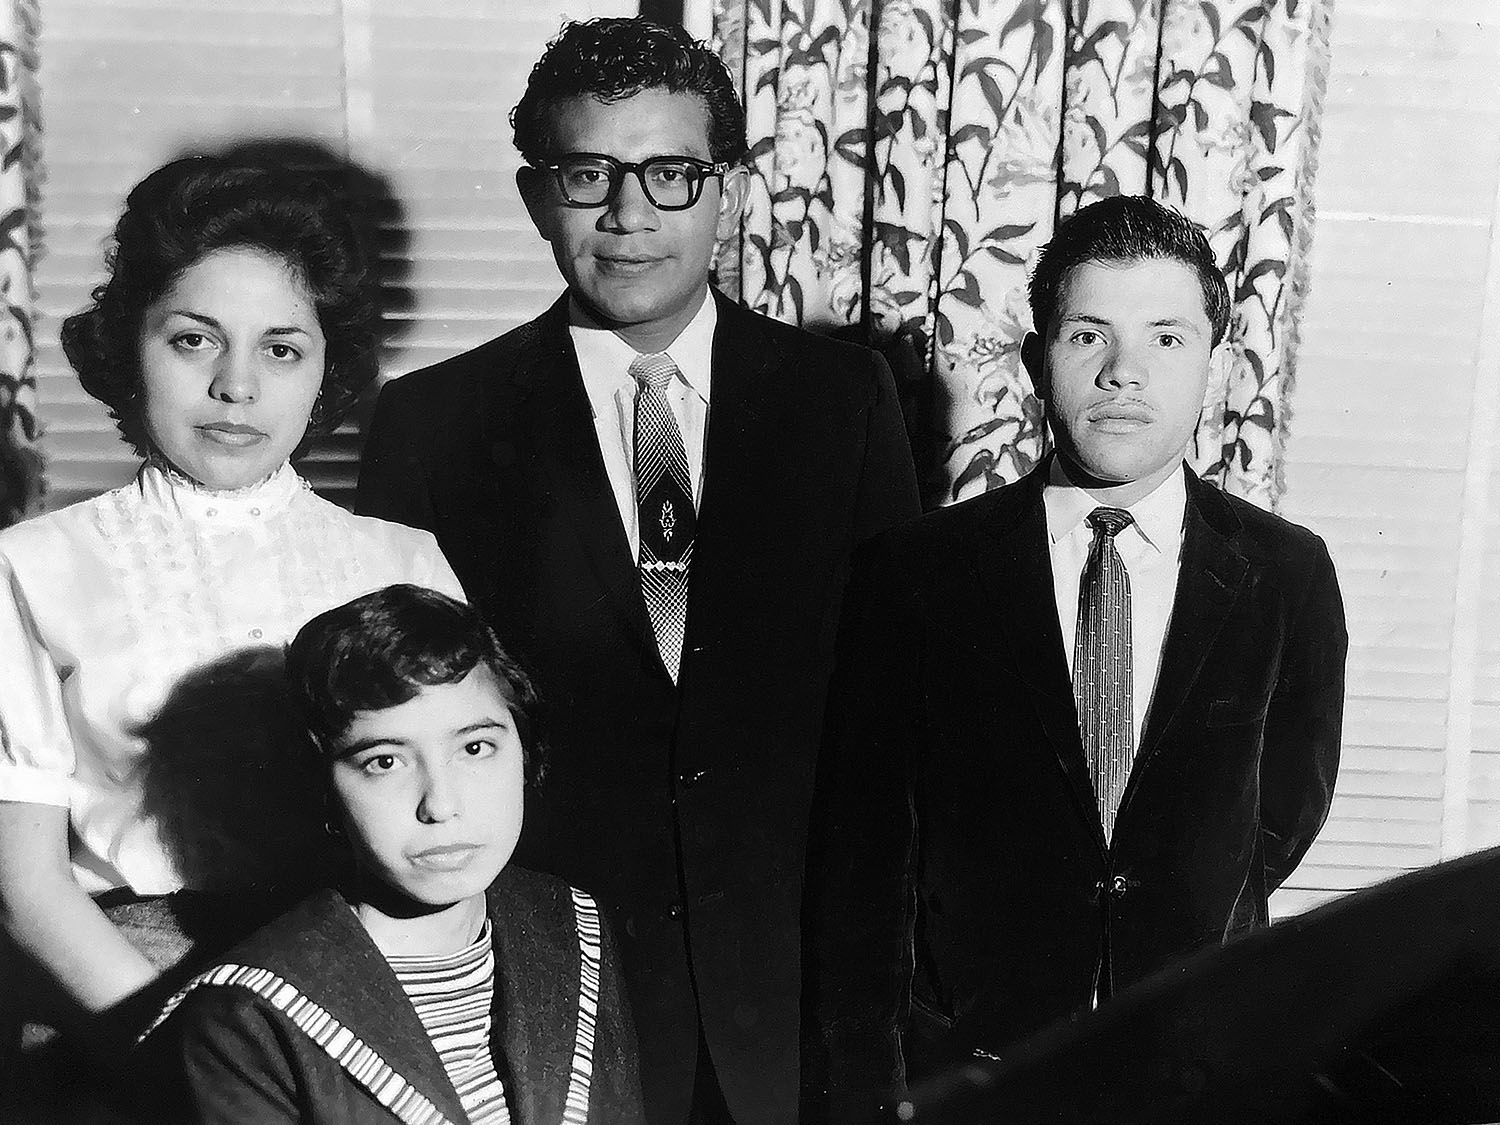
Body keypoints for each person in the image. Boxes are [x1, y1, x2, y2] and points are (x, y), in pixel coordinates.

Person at [356, 17, 921, 1123]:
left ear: (730, 191)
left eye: (671, 173)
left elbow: (891, 731)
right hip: (549, 1003)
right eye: (588, 175)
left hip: (791, 1004)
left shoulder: (844, 401)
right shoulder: (433, 426)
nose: (630, 216)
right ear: (535, 197)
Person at [803, 194, 1348, 1120]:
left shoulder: (1284, 573)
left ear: (1214, 371)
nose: (1123, 373)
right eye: (1087, 335)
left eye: (1167, 339)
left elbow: (1283, 812)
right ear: (1034, 360)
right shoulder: (916, 575)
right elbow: (864, 871)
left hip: (1201, 1071)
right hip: (970, 1075)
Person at [0, 156, 464, 1109]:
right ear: (131, 345)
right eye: (194, 341)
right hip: (119, 997)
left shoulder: (405, 561)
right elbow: (26, 886)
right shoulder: (31, 566)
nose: (236, 386)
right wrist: (202, 1055)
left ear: (329, 366)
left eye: (282, 349)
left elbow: (450, 823)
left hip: (360, 986)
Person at [143, 584, 644, 1123]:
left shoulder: (570, 920)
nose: (441, 805)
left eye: (475, 748)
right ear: (322, 789)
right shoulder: (246, 1018)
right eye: (384, 762)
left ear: (525, 751)